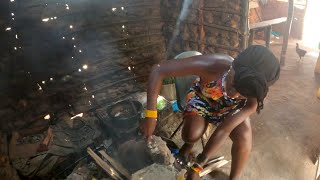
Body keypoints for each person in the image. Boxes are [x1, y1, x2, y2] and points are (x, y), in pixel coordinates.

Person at [140, 45, 280, 180]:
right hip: (203, 97)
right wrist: (151, 116)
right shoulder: (214, 65)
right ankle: (188, 146)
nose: (234, 94)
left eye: (242, 94)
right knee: (191, 134)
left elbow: (224, 129)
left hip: (230, 109)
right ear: (232, 68)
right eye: (232, 84)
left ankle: (235, 177)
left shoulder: (256, 91)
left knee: (244, 140)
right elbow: (159, 70)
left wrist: (198, 167)